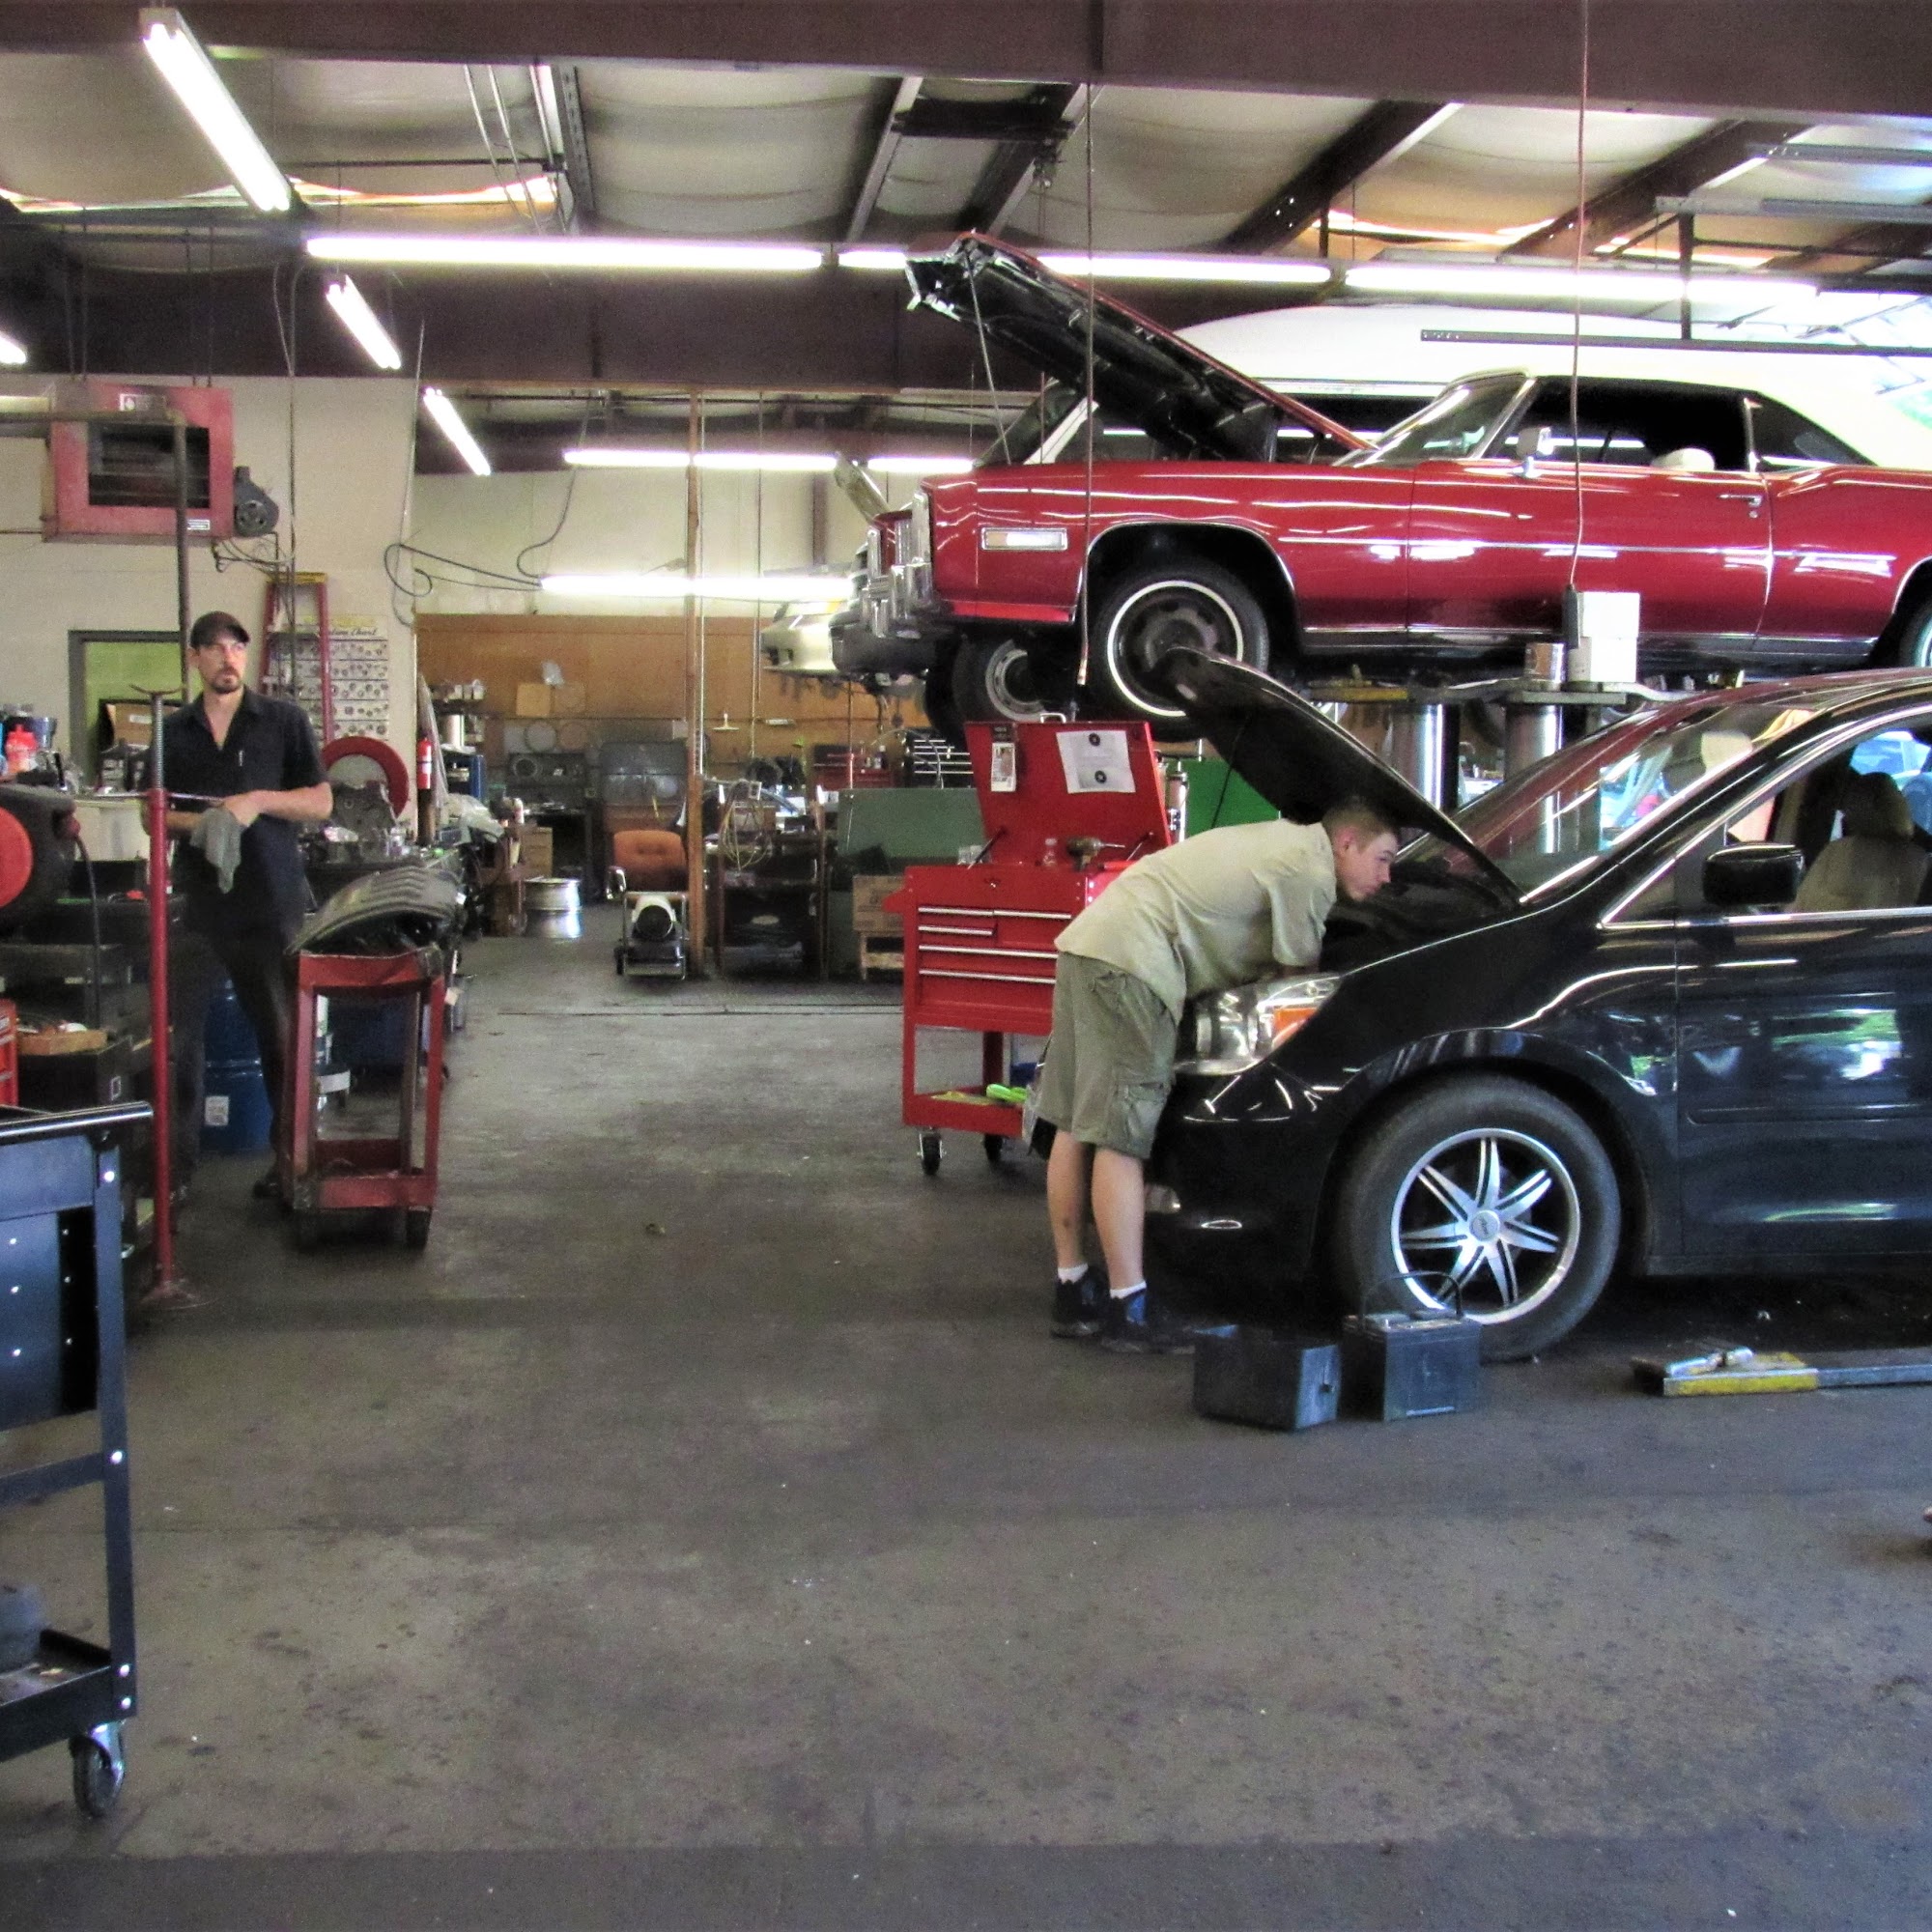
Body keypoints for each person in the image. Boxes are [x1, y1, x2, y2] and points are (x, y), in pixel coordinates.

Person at [1039, 800, 1401, 1351]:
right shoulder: (1308, 869)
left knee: (1073, 1123)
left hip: (1088, 947)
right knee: (1121, 1136)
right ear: (1346, 842)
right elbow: (1296, 985)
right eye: (1383, 858)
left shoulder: (1279, 842)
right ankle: (1129, 1307)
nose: (1387, 877)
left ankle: (1072, 1289)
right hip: (1133, 964)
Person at [163, 611, 332, 1206]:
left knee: (282, 1038)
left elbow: (320, 801)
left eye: (236, 647)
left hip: (268, 899)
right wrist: (206, 823)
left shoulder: (283, 721)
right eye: (213, 648)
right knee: (178, 1041)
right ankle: (174, 1174)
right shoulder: (172, 732)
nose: (227, 657)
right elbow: (154, 813)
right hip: (197, 903)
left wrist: (256, 801)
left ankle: (289, 1165)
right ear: (196, 659)